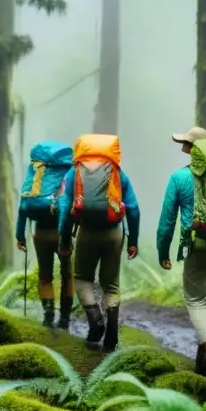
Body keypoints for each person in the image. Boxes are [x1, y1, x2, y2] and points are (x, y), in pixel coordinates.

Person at [156, 126, 206, 380]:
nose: (183, 147)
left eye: (187, 144)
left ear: (193, 150)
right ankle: (204, 361)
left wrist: (163, 250)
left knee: (195, 300)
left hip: (197, 246)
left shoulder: (179, 179)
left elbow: (167, 221)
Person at [57, 134, 140, 351]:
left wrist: (64, 241)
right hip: (114, 233)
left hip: (87, 232)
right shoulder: (117, 173)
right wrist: (133, 240)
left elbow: (65, 211)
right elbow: (133, 208)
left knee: (82, 278)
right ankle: (111, 334)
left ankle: (95, 320)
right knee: (110, 284)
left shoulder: (73, 172)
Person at [16, 141, 74, 328]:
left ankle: (48, 316)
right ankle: (65, 318)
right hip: (61, 232)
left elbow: (23, 206)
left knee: (45, 275)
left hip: (40, 233)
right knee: (67, 274)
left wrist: (20, 236)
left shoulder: (35, 170)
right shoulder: (66, 172)